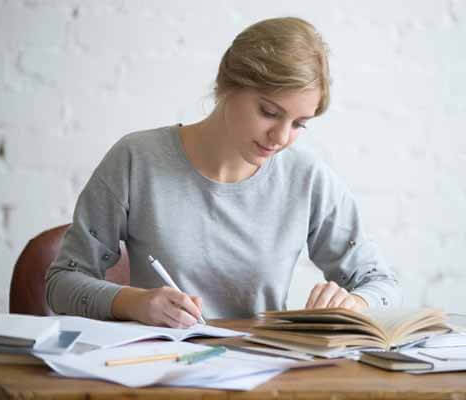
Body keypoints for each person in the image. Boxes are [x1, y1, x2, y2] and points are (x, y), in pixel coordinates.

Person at [45, 16, 401, 328]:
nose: (280, 138)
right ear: (227, 85)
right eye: (269, 112)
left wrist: (354, 303)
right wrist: (135, 303)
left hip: (267, 373)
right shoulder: (137, 159)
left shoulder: (307, 178)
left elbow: (382, 285)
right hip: (159, 371)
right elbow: (62, 283)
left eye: (299, 124)